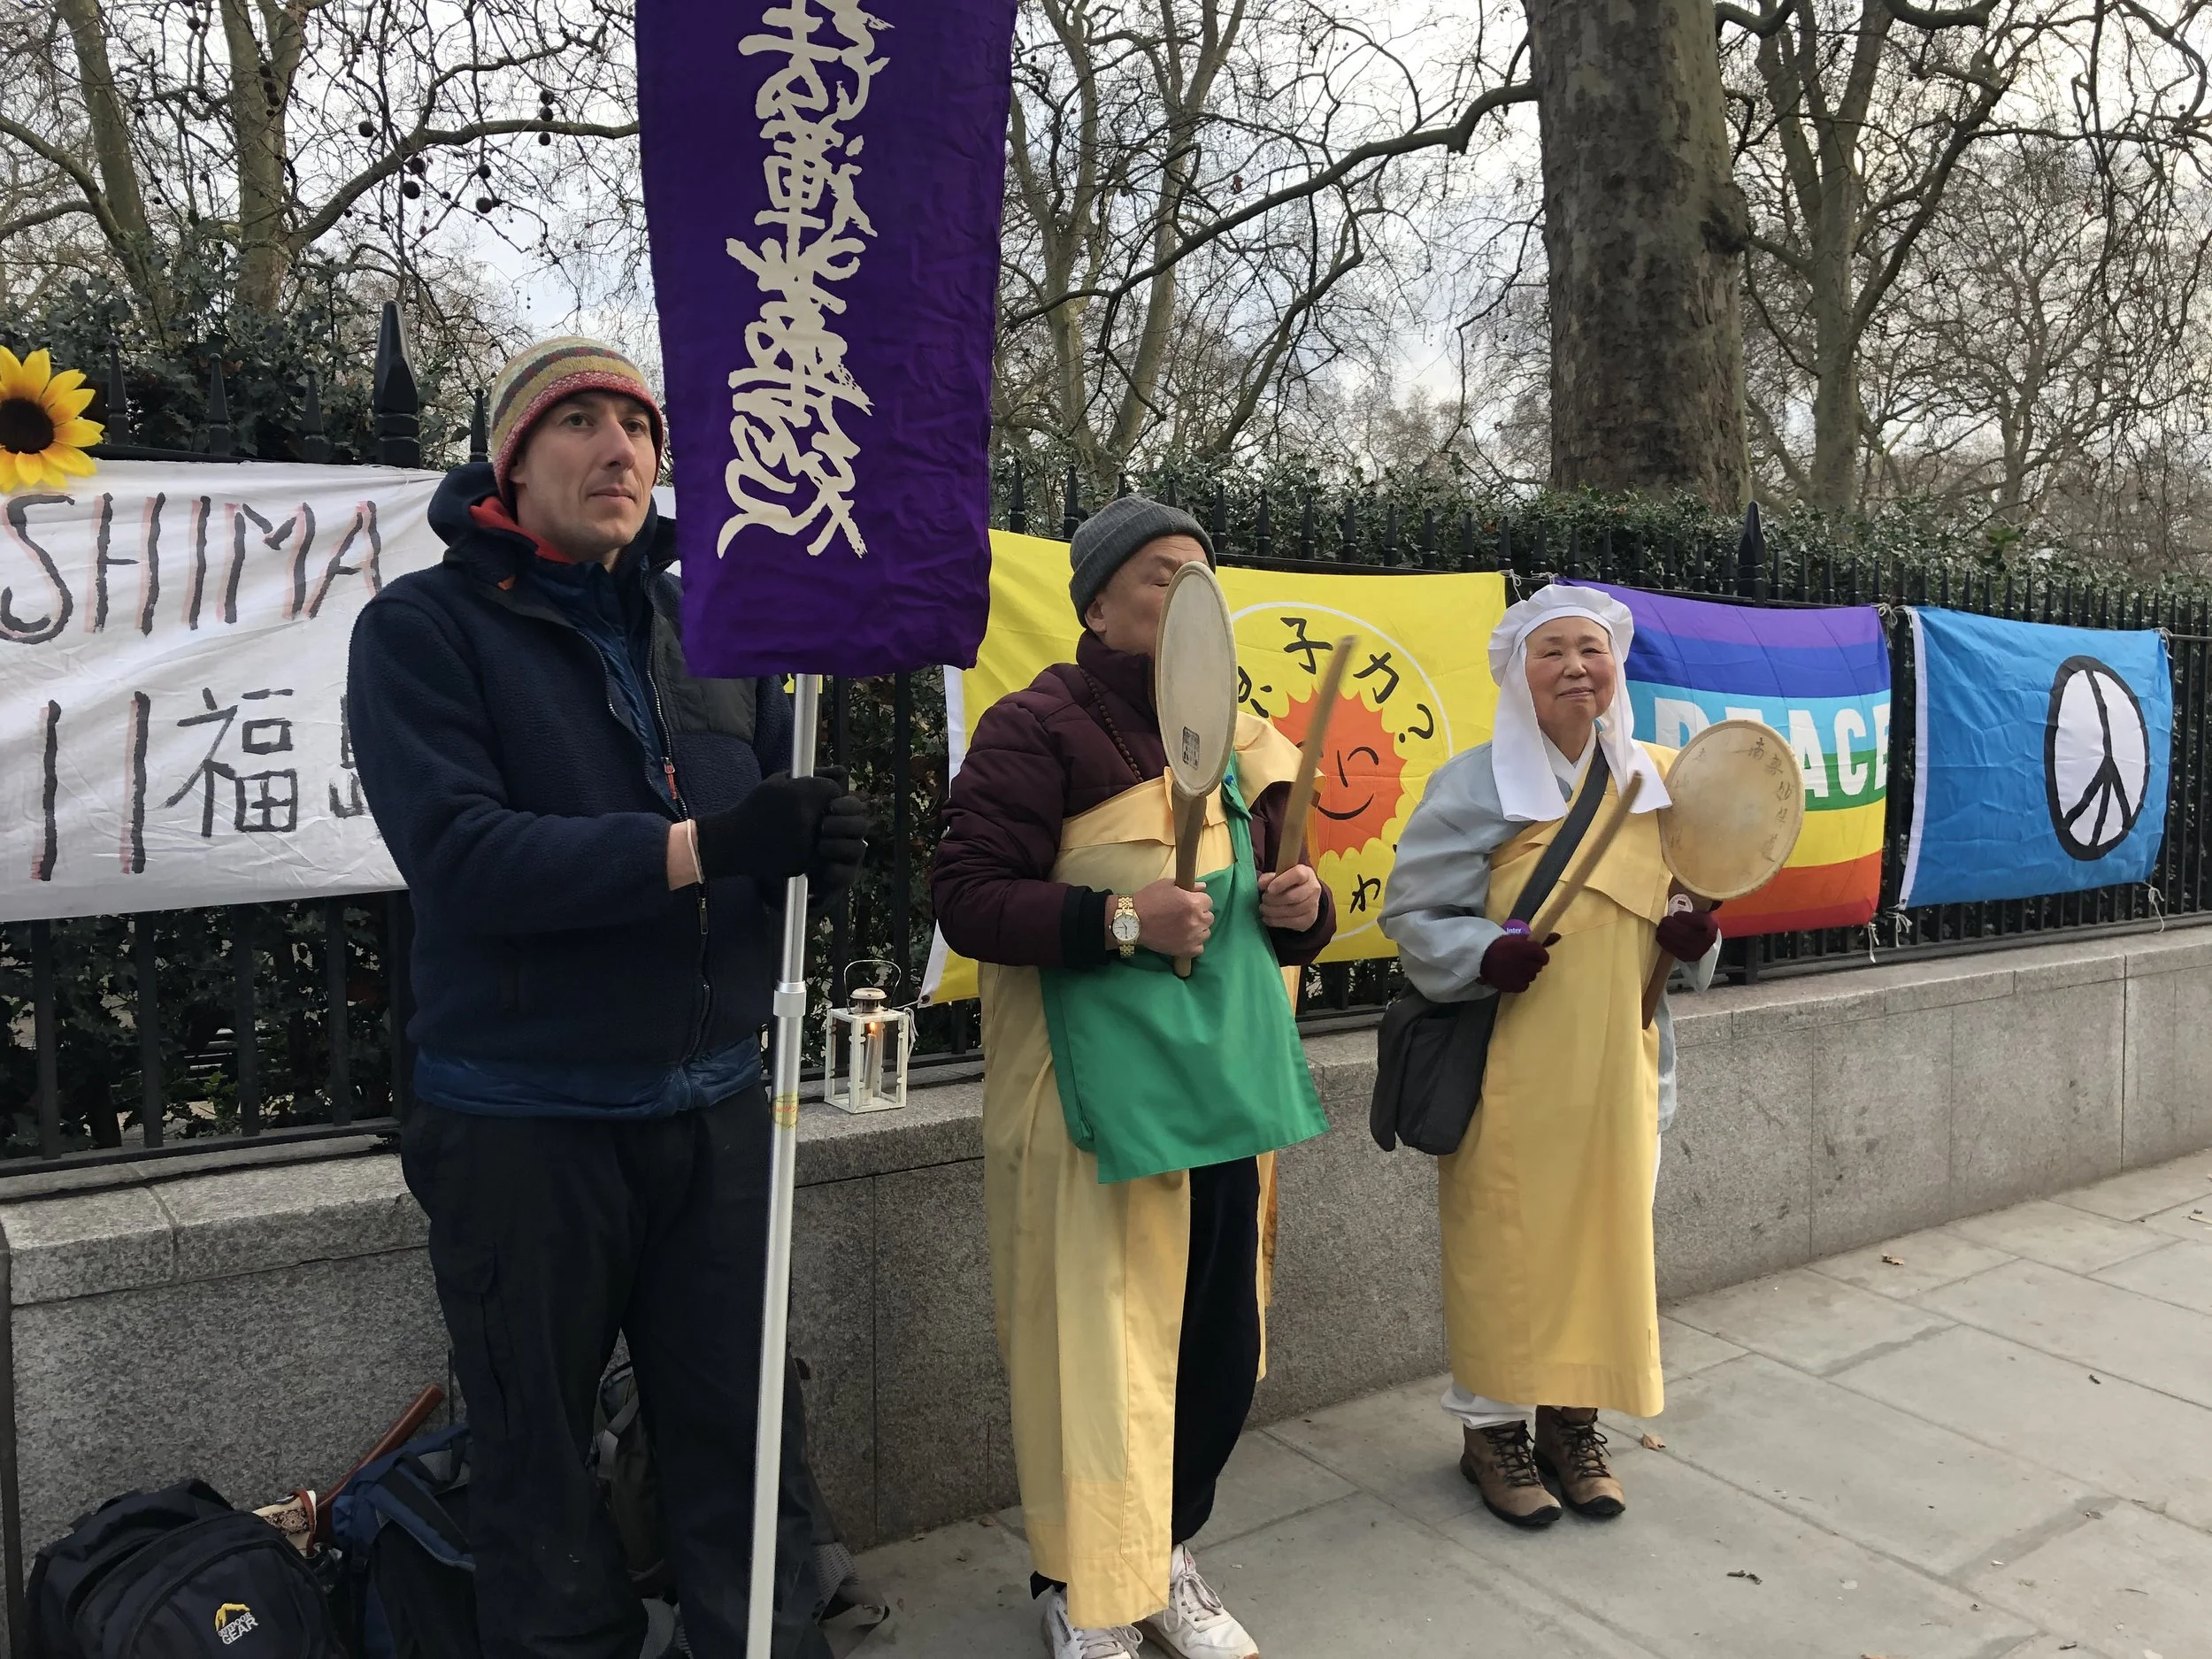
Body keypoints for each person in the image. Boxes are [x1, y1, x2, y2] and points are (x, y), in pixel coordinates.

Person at [347, 336, 867, 1658]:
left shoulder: (715, 624)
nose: (619, 448)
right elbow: (464, 858)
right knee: (539, 1471)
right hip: (525, 1123)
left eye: (638, 423)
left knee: (742, 1437)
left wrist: (807, 857)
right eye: (576, 422)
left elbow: (756, 829)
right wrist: (711, 848)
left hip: (715, 1107)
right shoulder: (420, 630)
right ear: (510, 464)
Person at [930, 495, 1336, 1659]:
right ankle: (1080, 1584)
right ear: (1097, 602)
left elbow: (1282, 913)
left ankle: (1163, 1556)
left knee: (1210, 1344)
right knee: (1094, 1350)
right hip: (1091, 1108)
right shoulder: (1036, 726)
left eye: (1200, 577)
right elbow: (964, 895)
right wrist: (1116, 916)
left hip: (1225, 1090)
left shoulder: (1247, 739)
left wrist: (1302, 910)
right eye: (1160, 575)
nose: (1185, 595)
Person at [1379, 583, 1721, 1531]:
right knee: (1506, 1250)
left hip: (1624, 1067)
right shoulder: (1472, 784)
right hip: (1506, 1067)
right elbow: (1411, 920)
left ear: (1616, 668)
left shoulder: (1662, 781)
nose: (1576, 666)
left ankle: (1573, 1425)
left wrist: (1696, 944)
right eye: (1551, 652)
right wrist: (1480, 953)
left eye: (1591, 650)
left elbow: (1693, 907)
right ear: (1517, 674)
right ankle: (1490, 1433)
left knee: (1610, 1249)